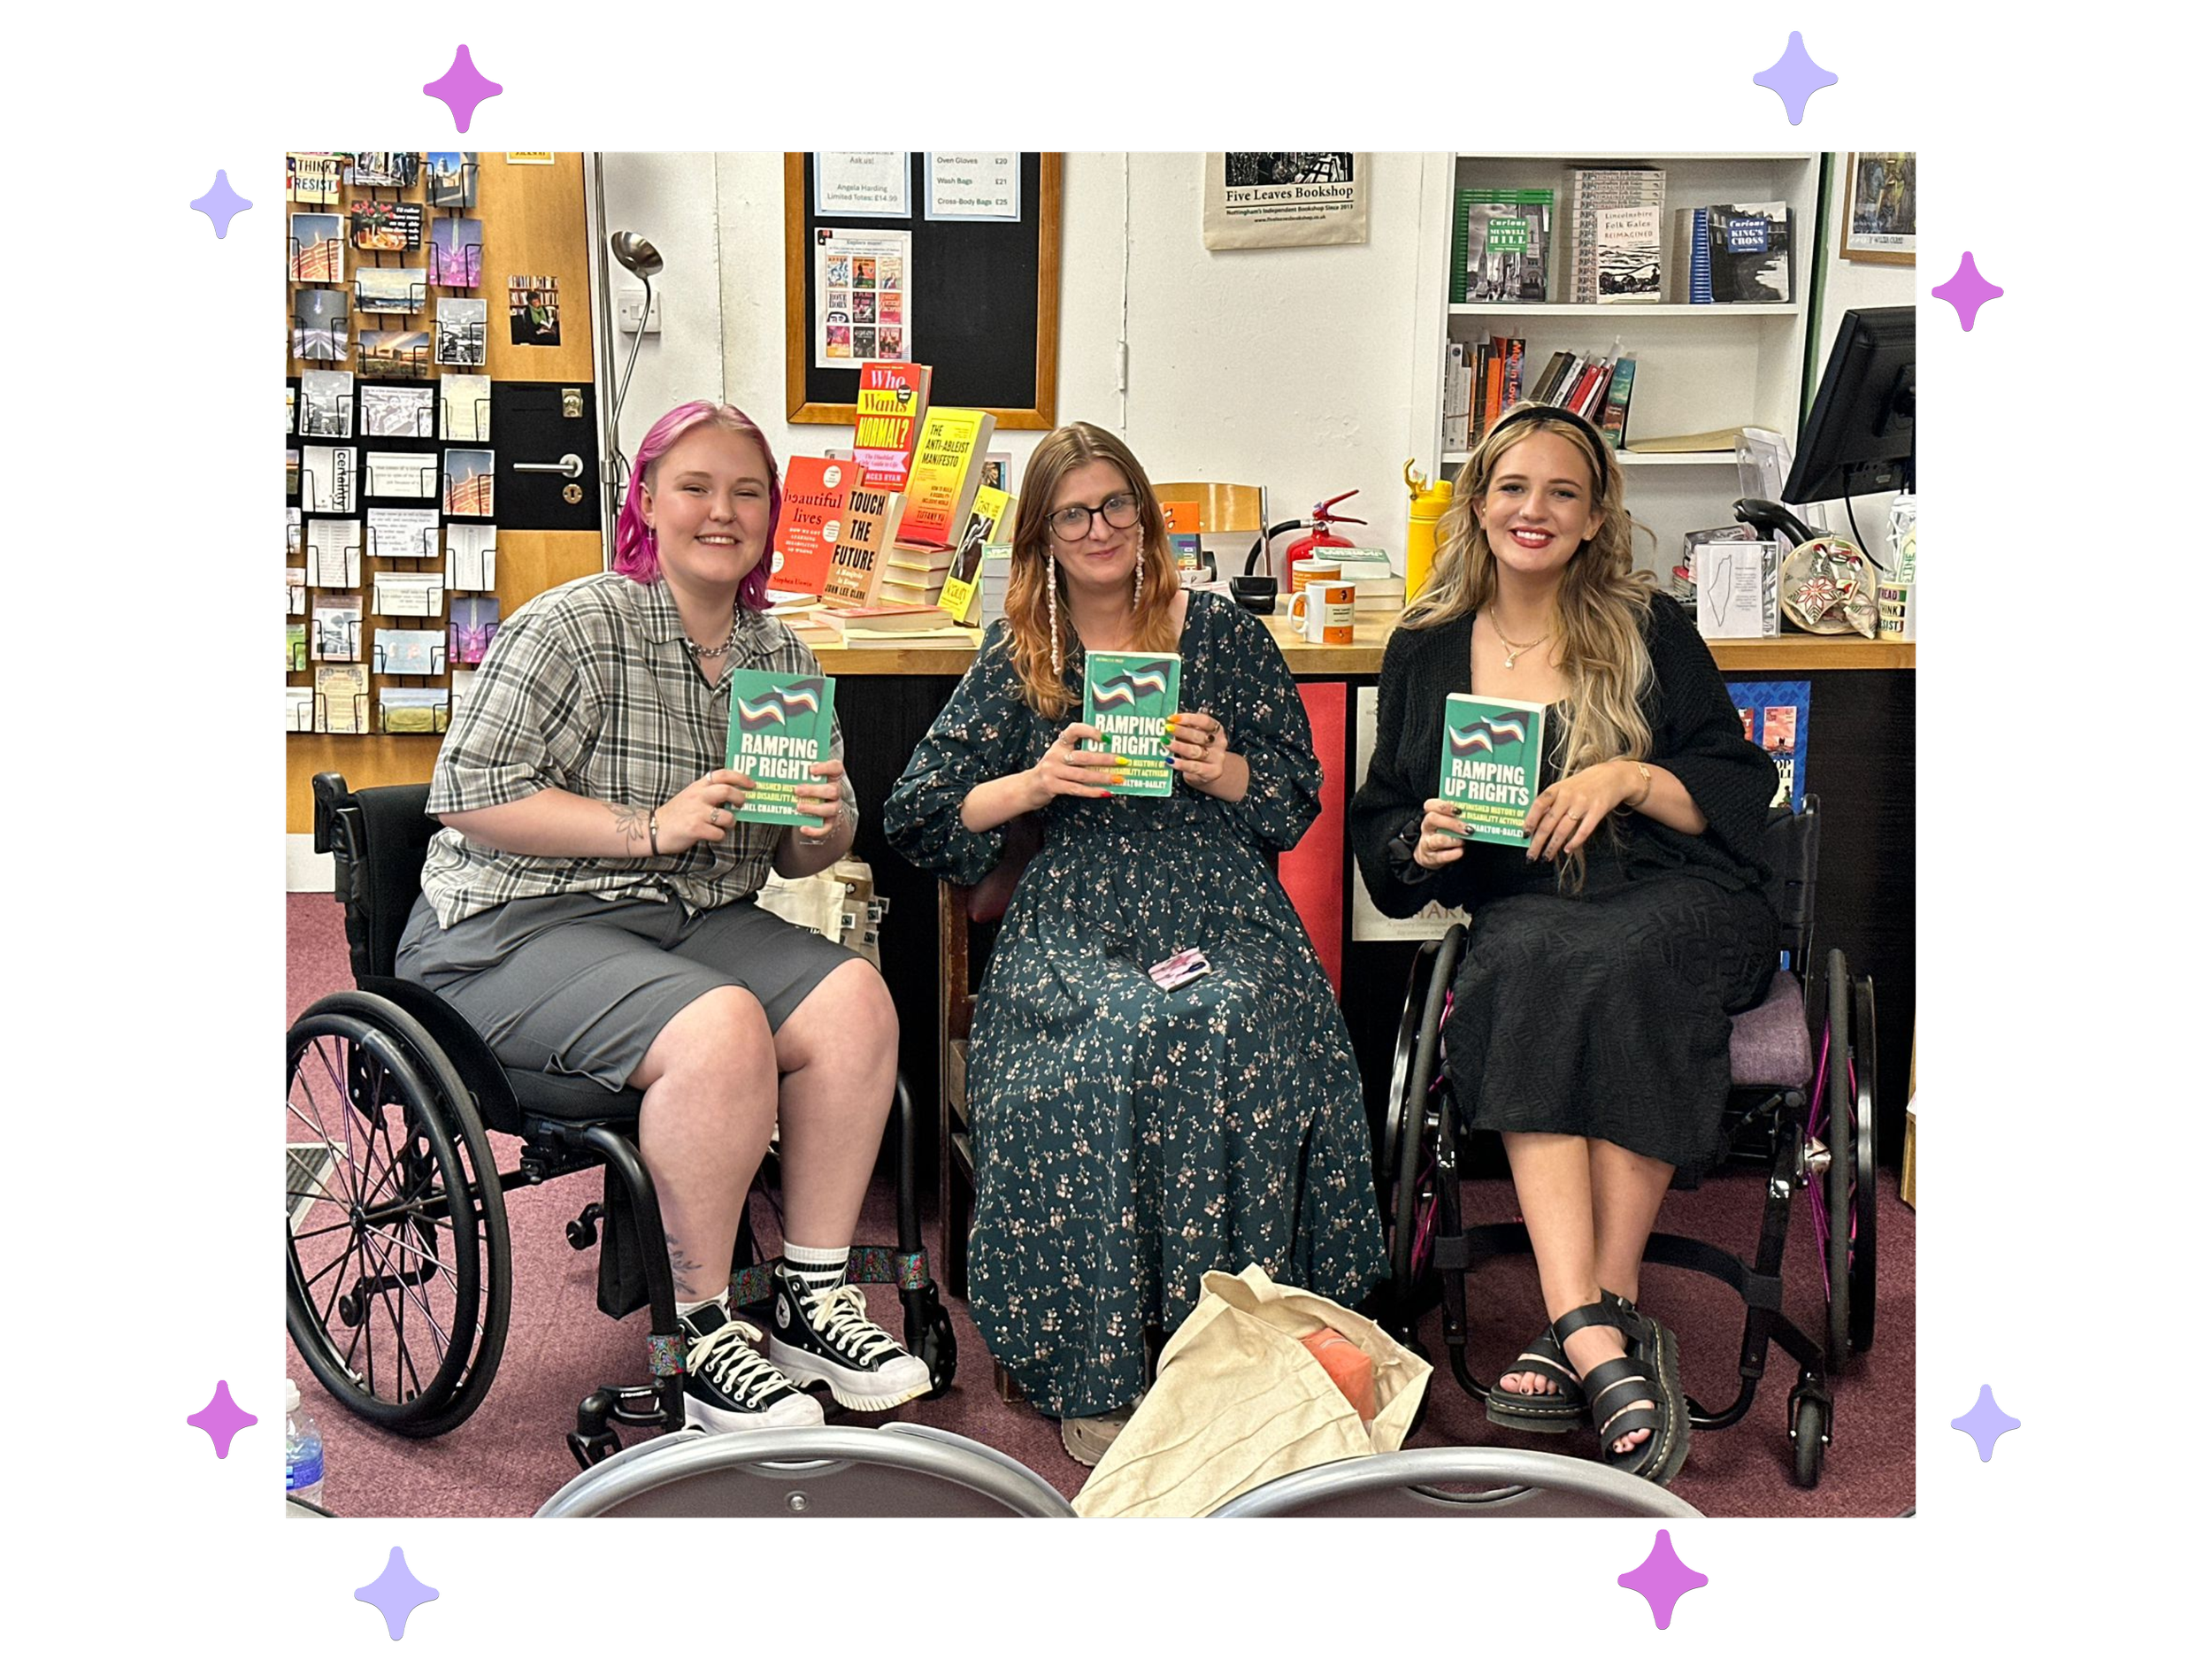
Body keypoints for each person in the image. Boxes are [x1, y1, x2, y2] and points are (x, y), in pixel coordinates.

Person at [394, 400, 931, 1436]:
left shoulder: (782, 656)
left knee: (856, 1001)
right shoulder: (574, 625)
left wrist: (823, 820)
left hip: (687, 921)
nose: (721, 512)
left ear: (774, 517)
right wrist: (647, 827)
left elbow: (799, 852)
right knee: (721, 1022)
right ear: (646, 501)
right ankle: (701, 1330)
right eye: (695, 486)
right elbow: (467, 791)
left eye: (747, 492)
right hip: (512, 928)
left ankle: (812, 1299)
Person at [885, 422, 1386, 1466]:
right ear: (1044, 537)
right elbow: (917, 812)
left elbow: (1294, 803)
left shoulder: (1217, 636)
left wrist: (1224, 772)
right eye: (1074, 513)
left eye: (1116, 504)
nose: (1100, 526)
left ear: (1146, 518)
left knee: (1242, 1019)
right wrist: (1036, 783)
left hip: (1215, 896)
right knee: (1115, 1034)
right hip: (1078, 905)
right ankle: (1103, 1359)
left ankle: (1256, 1350)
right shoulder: (1023, 652)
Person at [1348, 403, 1779, 1486]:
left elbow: (1739, 787)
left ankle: (1584, 1321)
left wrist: (1625, 774)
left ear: (1594, 520)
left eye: (1561, 493)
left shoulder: (1649, 625)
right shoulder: (1427, 645)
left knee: (1615, 961)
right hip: (1530, 904)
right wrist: (1424, 836)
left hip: (1678, 893)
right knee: (1532, 958)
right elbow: (1385, 819)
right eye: (1511, 488)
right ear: (1478, 504)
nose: (1532, 510)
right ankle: (1600, 1332)